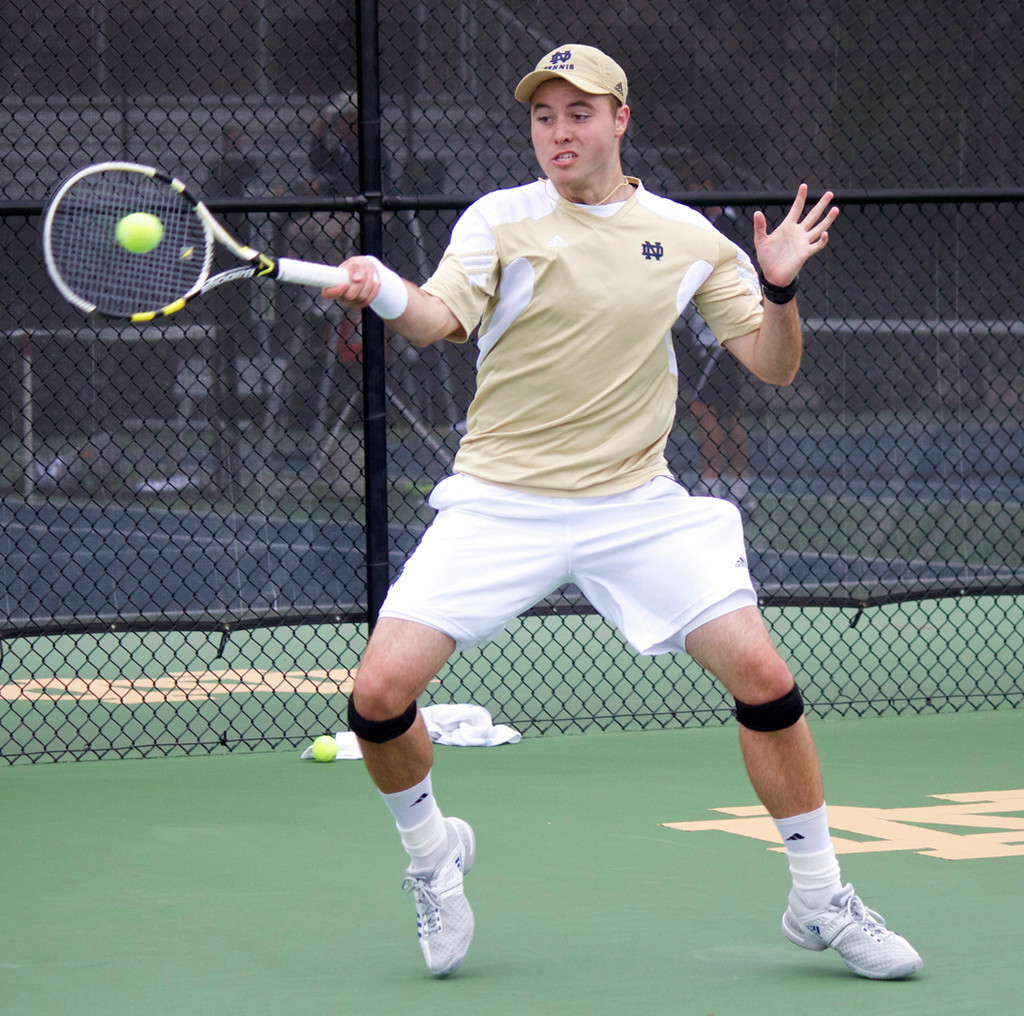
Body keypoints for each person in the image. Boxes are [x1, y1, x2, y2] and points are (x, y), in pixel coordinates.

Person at [322, 44, 922, 982]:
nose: (558, 133)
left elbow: (774, 365)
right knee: (377, 698)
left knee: (764, 676)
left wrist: (780, 288)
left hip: (635, 504)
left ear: (620, 121)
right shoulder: (500, 219)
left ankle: (819, 895)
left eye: (578, 114)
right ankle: (435, 857)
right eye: (543, 117)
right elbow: (437, 319)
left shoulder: (686, 237)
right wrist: (385, 288)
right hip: (501, 502)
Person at [682, 160, 756, 506]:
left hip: (721, 339)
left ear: (708, 187)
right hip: (703, 338)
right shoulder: (701, 226)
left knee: (707, 410)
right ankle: (738, 489)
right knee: (722, 413)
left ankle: (715, 486)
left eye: (695, 186)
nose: (691, 193)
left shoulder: (727, 228)